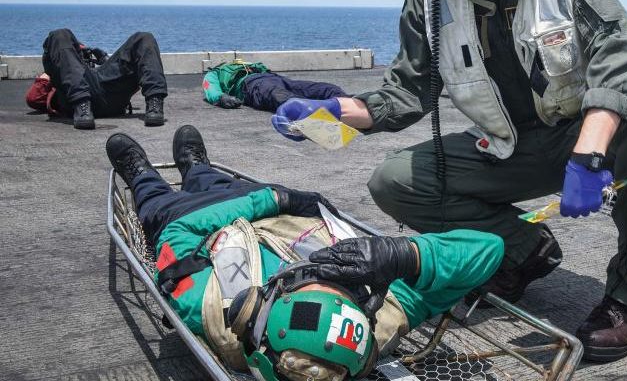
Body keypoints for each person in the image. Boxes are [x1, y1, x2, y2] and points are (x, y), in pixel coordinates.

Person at [273, 0, 627, 362]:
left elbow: (619, 55)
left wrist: (589, 154)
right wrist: (328, 115)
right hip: (508, 146)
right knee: (395, 181)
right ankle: (522, 251)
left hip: (585, 134)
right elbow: (406, 93)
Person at [106, 125, 504, 380]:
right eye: (338, 288)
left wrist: (272, 198)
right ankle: (198, 169)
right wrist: (404, 256)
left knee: (155, 204)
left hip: (202, 220)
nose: (315, 273)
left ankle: (143, 174)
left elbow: (177, 235)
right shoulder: (387, 309)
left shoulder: (210, 306)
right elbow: (489, 249)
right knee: (210, 179)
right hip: (283, 211)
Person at [25, 28, 166, 129]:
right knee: (60, 34)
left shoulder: (96, 68)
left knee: (144, 38)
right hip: (76, 96)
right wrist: (48, 75)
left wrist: (105, 61)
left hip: (108, 90)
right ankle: (82, 106)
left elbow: (122, 72)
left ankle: (155, 103)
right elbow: (33, 99)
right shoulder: (62, 69)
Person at [202, 59, 348, 112]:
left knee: (318, 88)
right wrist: (222, 98)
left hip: (274, 78)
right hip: (250, 85)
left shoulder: (246, 64)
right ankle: (310, 111)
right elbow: (210, 90)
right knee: (277, 94)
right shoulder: (214, 73)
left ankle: (349, 103)